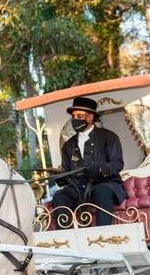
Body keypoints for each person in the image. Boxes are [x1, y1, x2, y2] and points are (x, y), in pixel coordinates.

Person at [50, 96, 127, 227]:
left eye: (79, 115)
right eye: (73, 116)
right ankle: (66, 240)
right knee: (59, 196)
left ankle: (104, 236)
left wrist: (100, 169)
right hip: (79, 188)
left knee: (102, 191)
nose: (75, 119)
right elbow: (67, 172)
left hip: (105, 183)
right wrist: (59, 175)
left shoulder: (109, 137)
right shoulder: (68, 145)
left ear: (90, 117)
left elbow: (117, 163)